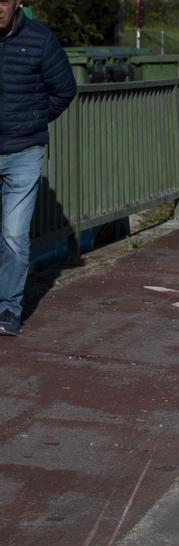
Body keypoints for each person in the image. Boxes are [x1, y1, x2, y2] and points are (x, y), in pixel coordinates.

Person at [0, 0, 76, 337]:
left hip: (22, 154)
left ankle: (7, 309)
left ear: (17, 2)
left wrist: (32, 121)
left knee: (14, 236)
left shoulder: (41, 40)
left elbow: (64, 90)